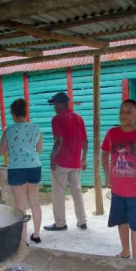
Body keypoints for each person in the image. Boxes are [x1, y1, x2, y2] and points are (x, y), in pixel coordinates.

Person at [102, 99, 136, 259]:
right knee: (121, 220)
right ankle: (125, 251)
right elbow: (104, 154)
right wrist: (107, 175)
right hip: (118, 190)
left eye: (129, 111)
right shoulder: (112, 133)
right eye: (122, 111)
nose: (124, 115)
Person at [0, 99, 43, 244]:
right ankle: (36, 234)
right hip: (34, 167)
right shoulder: (36, 128)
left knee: (20, 206)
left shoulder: (8, 130)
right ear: (26, 112)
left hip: (16, 169)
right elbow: (39, 149)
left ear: (12, 113)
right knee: (35, 203)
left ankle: (23, 239)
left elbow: (1, 151)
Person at [45, 92, 88, 231]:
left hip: (61, 162)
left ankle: (60, 223)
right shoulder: (78, 118)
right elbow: (85, 140)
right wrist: (84, 158)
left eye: (56, 104)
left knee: (58, 193)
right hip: (75, 162)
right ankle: (82, 221)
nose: (54, 107)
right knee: (77, 192)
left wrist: (52, 157)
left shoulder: (57, 119)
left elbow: (59, 141)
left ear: (63, 104)